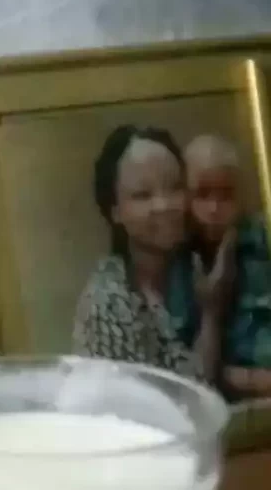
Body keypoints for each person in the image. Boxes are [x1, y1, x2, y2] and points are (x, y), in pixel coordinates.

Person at [73, 125, 234, 384]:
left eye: (174, 187)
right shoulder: (108, 305)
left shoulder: (197, 268)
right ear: (115, 211)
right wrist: (212, 314)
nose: (164, 205)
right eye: (142, 195)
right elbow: (184, 400)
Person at [183, 134, 271, 401]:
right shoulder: (177, 260)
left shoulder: (263, 243)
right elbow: (185, 371)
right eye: (202, 194)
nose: (214, 209)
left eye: (226, 195)